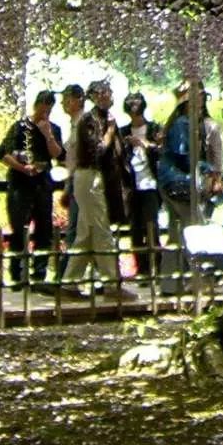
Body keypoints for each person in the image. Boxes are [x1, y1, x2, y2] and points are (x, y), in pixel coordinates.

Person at [63, 78, 133, 299]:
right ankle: (112, 284)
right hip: (89, 176)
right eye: (101, 93)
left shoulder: (105, 118)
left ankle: (69, 283)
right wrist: (110, 131)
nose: (106, 96)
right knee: (102, 231)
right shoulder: (89, 120)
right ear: (92, 97)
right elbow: (98, 150)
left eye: (108, 92)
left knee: (86, 234)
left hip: (98, 178)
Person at [157, 82, 223, 293]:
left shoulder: (184, 123)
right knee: (195, 228)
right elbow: (185, 156)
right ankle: (198, 278)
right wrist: (208, 169)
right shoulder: (183, 124)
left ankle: (170, 284)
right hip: (179, 182)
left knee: (176, 233)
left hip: (171, 181)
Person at [0, 89, 63, 288]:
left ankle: (40, 274)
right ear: (37, 106)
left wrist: (48, 135)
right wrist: (22, 168)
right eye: (43, 108)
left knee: (44, 230)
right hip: (20, 184)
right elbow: (2, 153)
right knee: (18, 229)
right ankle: (17, 275)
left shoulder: (54, 129)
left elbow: (58, 154)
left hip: (43, 185)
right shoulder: (20, 127)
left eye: (49, 109)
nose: (45, 113)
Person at [120, 91, 164, 282]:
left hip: (151, 185)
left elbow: (162, 152)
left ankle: (158, 268)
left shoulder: (154, 129)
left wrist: (145, 144)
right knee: (135, 230)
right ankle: (142, 270)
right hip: (132, 186)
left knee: (152, 227)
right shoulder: (123, 132)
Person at [54, 83, 86, 281]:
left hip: (83, 180)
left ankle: (66, 276)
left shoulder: (84, 122)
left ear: (79, 100)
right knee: (78, 228)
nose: (64, 103)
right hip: (74, 179)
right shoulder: (73, 124)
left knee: (78, 228)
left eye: (68, 98)